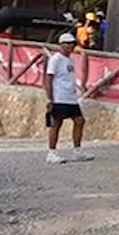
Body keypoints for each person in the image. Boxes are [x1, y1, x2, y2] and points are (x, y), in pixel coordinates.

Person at [45, 33, 93, 164]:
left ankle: (77, 150)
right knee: (56, 124)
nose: (70, 47)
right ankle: (52, 152)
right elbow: (49, 78)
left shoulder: (71, 60)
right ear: (61, 45)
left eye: (72, 44)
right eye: (67, 44)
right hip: (59, 96)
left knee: (79, 121)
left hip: (70, 96)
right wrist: (50, 98)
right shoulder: (56, 59)